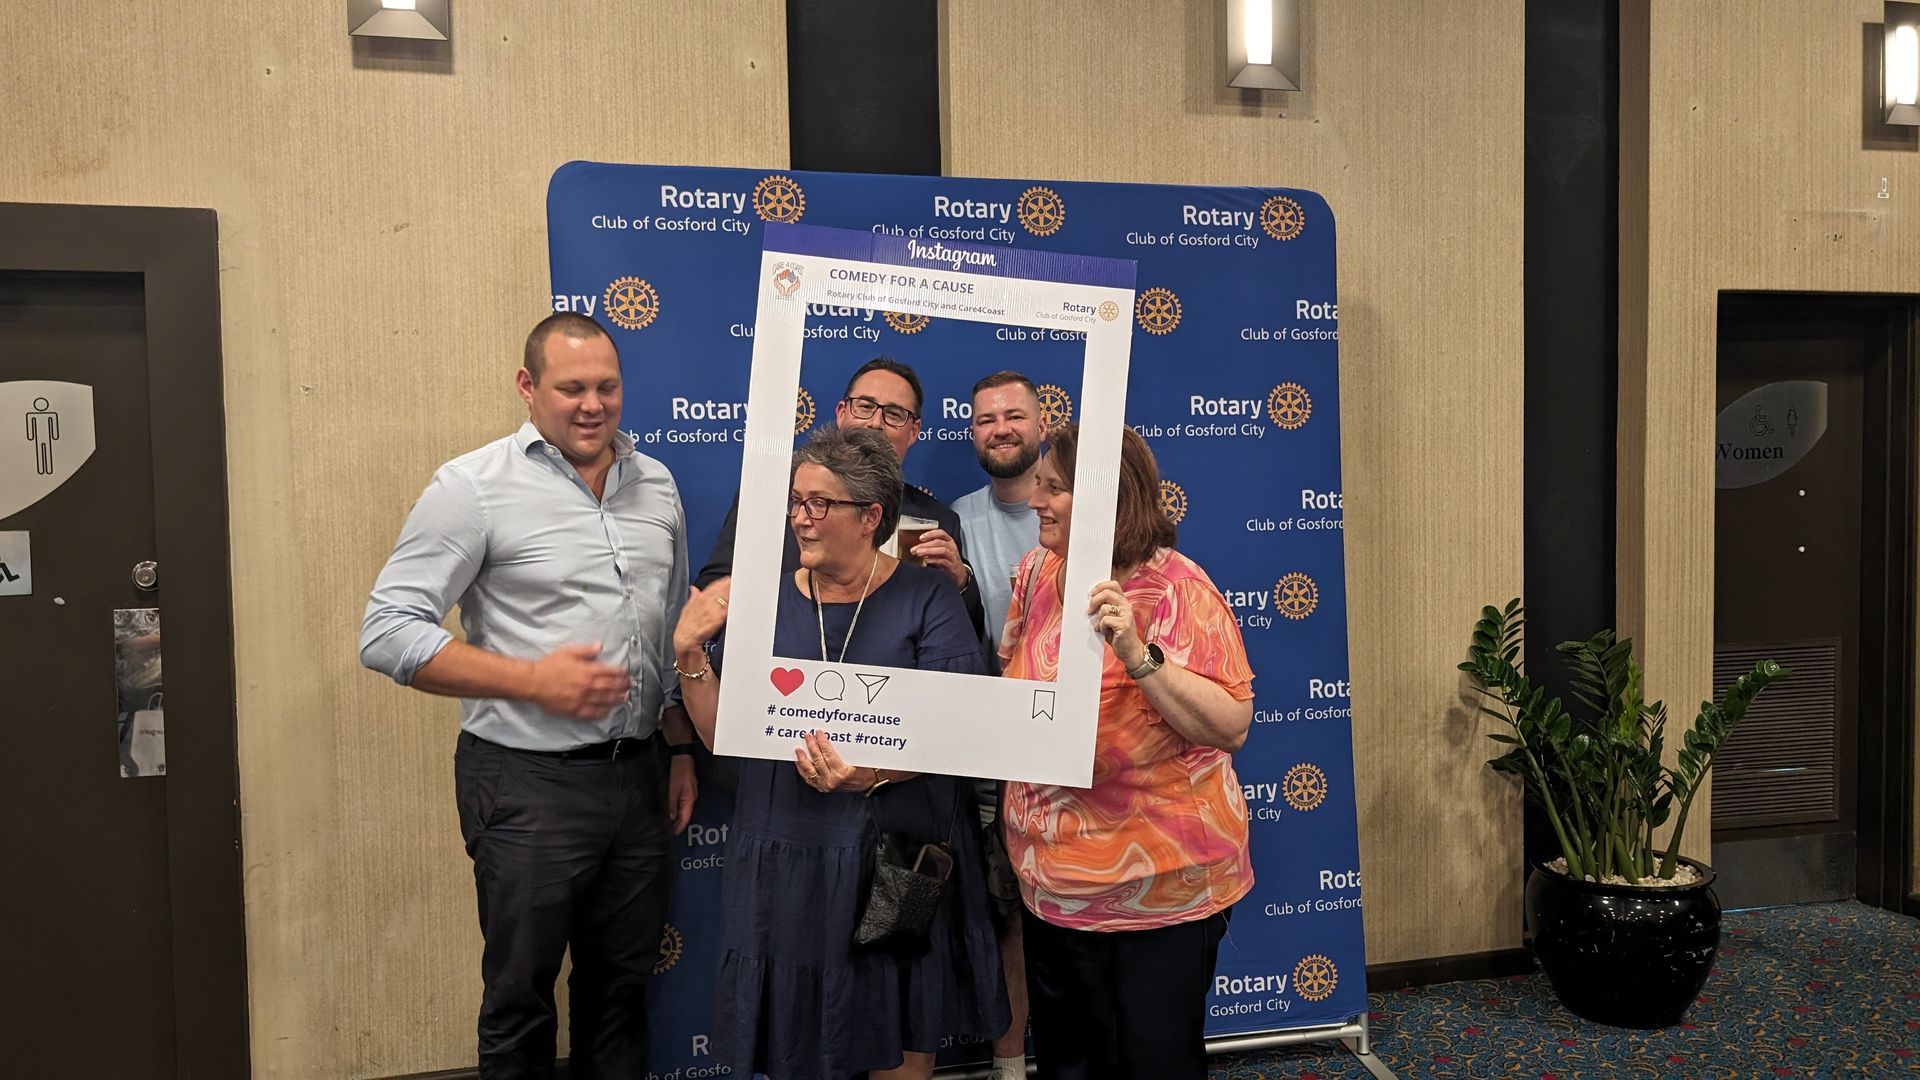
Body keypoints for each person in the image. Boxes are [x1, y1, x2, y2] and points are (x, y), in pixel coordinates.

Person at [359, 312, 699, 1079]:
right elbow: (386, 632)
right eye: (571, 387)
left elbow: (668, 630)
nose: (592, 404)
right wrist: (531, 680)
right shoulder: (472, 487)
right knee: (521, 999)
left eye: (607, 386)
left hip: (639, 775)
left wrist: (676, 743)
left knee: (620, 993)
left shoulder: (657, 484)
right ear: (528, 387)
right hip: (524, 783)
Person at [672, 425, 1009, 1080]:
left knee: (899, 1030)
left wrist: (874, 772)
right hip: (783, 856)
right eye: (796, 500)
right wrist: (689, 656)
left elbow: (962, 729)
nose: (801, 517)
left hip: (895, 859)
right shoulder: (761, 600)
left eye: (819, 503)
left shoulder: (927, 596)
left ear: (871, 517)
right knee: (796, 1048)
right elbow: (720, 736)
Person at [999, 423, 1256, 1080]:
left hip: (1159, 892)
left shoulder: (1177, 588)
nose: (1036, 499)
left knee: (1153, 1063)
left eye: (1054, 487)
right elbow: (1016, 691)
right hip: (1054, 886)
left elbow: (1230, 725)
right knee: (1070, 1066)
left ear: (1107, 497)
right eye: (1040, 484)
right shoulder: (1035, 571)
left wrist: (1139, 656)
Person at [691, 357, 986, 639]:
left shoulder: (936, 520)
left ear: (913, 431)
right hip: (783, 668)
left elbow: (959, 631)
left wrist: (960, 582)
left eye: (894, 414)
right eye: (865, 406)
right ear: (841, 412)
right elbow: (717, 587)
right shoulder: (770, 495)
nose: (875, 422)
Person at [949, 371, 1045, 1080]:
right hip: (990, 762)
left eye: (1014, 415)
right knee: (1006, 920)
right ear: (972, 433)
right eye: (986, 420)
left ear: (1044, 424)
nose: (1001, 428)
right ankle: (1010, 1070)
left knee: (1078, 919)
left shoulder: (1082, 513)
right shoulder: (954, 518)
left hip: (1082, 757)